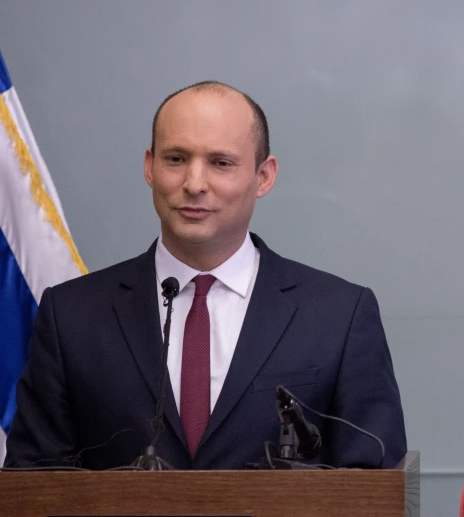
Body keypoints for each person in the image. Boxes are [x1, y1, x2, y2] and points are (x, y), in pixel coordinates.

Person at [4, 81, 407, 470]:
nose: (194, 184)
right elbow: (32, 485)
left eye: (221, 163)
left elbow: (374, 489)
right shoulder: (71, 314)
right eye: (176, 159)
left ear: (263, 177)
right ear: (149, 166)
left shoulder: (340, 316)